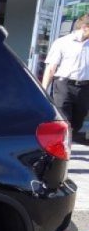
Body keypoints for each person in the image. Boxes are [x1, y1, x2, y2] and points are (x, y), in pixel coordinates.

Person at [41, 14, 89, 143]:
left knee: (78, 120)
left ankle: (66, 140)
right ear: (85, 27)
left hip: (84, 87)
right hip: (64, 85)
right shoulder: (63, 42)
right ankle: (59, 145)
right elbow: (51, 68)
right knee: (63, 119)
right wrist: (44, 89)